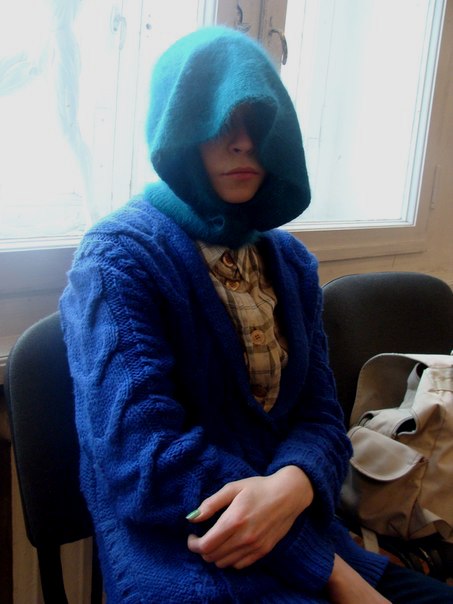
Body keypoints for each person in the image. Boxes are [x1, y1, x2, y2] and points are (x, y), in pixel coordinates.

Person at [60, 27, 453, 603]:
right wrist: (329, 571)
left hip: (307, 534)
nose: (243, 143)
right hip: (186, 561)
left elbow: (321, 417)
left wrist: (295, 484)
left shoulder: (289, 262)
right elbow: (144, 462)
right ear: (177, 129)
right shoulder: (117, 259)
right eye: (217, 122)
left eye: (257, 122)